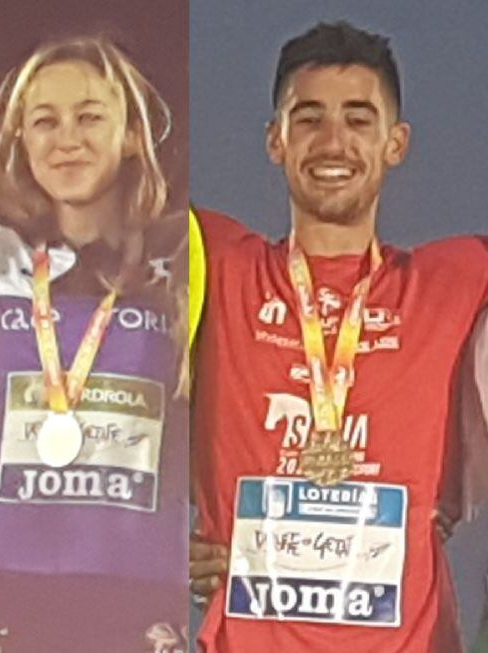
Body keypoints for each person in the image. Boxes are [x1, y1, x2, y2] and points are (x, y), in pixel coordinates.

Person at [190, 21, 488, 653]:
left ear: (395, 142)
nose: (333, 142)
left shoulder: (458, 277)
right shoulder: (214, 260)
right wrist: (149, 549)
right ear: (275, 140)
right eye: (307, 119)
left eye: (359, 120)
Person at [0, 36, 188, 652]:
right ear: (21, 141)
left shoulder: (179, 262)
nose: (67, 137)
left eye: (90, 115)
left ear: (130, 134)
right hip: (10, 590)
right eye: (45, 121)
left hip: (144, 594)